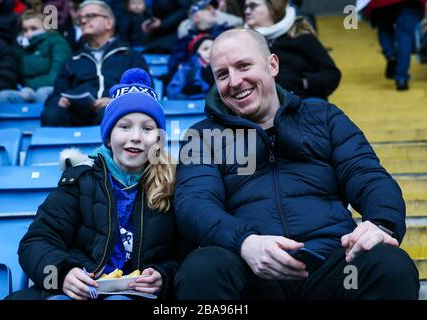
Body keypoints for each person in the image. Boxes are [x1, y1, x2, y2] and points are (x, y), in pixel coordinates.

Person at [173, 29, 420, 300]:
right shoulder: (203, 136)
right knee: (202, 269)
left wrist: (381, 224)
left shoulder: (324, 118)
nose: (234, 81)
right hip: (250, 270)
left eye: (244, 66)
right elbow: (194, 203)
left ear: (273, 65)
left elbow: (369, 177)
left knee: (390, 265)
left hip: (332, 264)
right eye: (222, 74)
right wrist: (244, 242)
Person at [7, 68, 187, 300]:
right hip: (82, 292)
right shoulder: (81, 179)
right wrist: (62, 275)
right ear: (109, 136)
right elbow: (36, 242)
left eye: (148, 128)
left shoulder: (172, 184)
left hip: (140, 295)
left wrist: (164, 277)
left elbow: (188, 254)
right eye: (124, 126)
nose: (136, 136)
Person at [41, 0, 149, 127]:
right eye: (80, 18)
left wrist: (116, 101)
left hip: (115, 115)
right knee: (51, 113)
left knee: (109, 113)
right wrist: (61, 101)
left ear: (109, 22)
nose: (83, 21)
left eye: (90, 16)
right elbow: (54, 97)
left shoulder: (131, 56)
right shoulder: (72, 60)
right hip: (76, 115)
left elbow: (144, 93)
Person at [244, 0, 340, 100]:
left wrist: (304, 82)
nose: (247, 11)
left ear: (273, 8)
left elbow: (331, 74)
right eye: (245, 6)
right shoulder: (242, 42)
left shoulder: (301, 37)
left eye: (253, 6)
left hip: (304, 103)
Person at [0, 10, 71, 103]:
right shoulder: (20, 47)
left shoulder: (57, 42)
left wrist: (28, 86)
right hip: (26, 91)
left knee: (41, 93)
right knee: (2, 96)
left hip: (52, 90)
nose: (28, 33)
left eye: (34, 28)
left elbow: (57, 75)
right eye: (25, 30)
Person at [364, 0, 425, 90]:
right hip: (410, 3)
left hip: (381, 4)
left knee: (384, 28)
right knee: (405, 36)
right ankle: (401, 78)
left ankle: (391, 55)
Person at [167, 34, 214, 99]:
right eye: (205, 49)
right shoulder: (186, 69)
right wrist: (184, 93)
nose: (210, 52)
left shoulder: (220, 69)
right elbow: (173, 91)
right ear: (196, 52)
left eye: (213, 49)